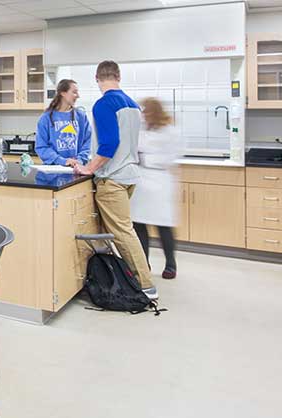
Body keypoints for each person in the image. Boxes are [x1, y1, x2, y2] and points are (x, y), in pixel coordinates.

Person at [74, 60, 157, 301]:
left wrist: (89, 168)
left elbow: (108, 144)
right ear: (118, 76)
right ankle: (116, 276)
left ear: (97, 78)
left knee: (122, 232)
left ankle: (145, 285)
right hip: (129, 175)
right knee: (120, 230)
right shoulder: (132, 104)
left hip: (113, 178)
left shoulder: (104, 104)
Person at [131, 97, 182, 279]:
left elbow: (171, 157)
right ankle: (144, 263)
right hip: (142, 181)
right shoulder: (142, 129)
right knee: (139, 224)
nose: (143, 115)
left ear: (155, 112)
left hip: (160, 180)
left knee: (163, 226)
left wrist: (146, 158)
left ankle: (170, 264)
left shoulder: (171, 131)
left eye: (146, 111)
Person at [35, 79, 91, 166]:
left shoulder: (81, 116)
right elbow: (41, 147)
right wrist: (62, 161)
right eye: (74, 92)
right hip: (53, 170)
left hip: (77, 168)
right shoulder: (46, 118)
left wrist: (80, 160)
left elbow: (88, 142)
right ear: (63, 93)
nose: (78, 96)